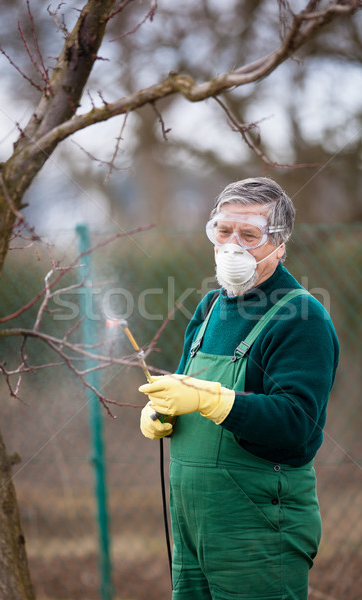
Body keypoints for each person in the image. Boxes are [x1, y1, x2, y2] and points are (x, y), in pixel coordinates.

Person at [139, 177, 339, 600]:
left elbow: (295, 422)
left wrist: (211, 400)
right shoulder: (210, 307)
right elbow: (182, 387)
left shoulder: (302, 317)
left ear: (280, 244)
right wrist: (164, 411)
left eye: (250, 235)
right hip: (192, 526)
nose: (233, 245)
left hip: (258, 529)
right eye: (223, 231)